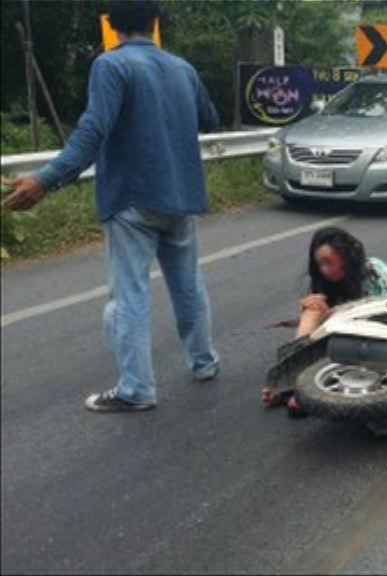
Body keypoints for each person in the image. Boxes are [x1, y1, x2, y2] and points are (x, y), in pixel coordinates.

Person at [1, 0, 221, 412]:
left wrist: (46, 179)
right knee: (188, 283)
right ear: (154, 22)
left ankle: (136, 390)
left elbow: (92, 130)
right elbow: (210, 119)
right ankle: (204, 362)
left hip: (132, 199)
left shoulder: (111, 65)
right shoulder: (183, 69)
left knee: (129, 295)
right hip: (181, 196)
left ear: (112, 24)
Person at [261, 226, 387, 409]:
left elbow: (384, 315)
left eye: (328, 262)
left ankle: (305, 390)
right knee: (313, 310)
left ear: (346, 257)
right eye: (320, 264)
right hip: (351, 337)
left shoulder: (374, 271)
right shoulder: (327, 283)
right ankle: (291, 381)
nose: (324, 270)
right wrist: (316, 312)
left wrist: (333, 315)